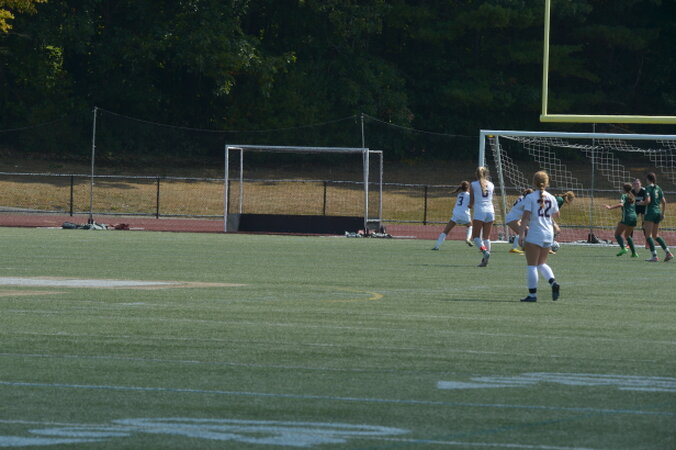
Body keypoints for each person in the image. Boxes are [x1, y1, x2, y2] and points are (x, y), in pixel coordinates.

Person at [517, 171, 560, 302]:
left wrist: (521, 235)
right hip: (548, 234)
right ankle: (553, 282)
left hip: (536, 233)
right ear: (547, 183)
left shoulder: (530, 197)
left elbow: (525, 217)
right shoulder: (551, 197)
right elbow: (557, 214)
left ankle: (532, 295)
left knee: (532, 265)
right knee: (541, 263)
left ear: (533, 183)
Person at [432, 181, 474, 250]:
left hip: (456, 214)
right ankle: (468, 239)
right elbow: (471, 204)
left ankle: (436, 246)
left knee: (445, 231)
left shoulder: (459, 195)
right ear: (468, 188)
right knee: (470, 226)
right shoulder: (469, 195)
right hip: (465, 214)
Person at [642, 172, 673, 262]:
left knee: (648, 235)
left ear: (648, 179)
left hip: (650, 213)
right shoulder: (658, 188)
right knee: (655, 235)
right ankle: (668, 253)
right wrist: (663, 214)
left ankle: (654, 256)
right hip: (657, 212)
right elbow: (664, 202)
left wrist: (641, 203)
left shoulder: (647, 188)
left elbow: (648, 201)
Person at [469, 166, 495, 267]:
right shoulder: (491, 184)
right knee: (486, 238)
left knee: (475, 237)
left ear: (476, 174)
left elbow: (471, 202)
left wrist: (469, 206)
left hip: (480, 211)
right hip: (490, 211)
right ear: (486, 174)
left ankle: (485, 252)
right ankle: (485, 261)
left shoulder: (473, 184)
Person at [604, 183, 639, 258]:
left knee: (617, 234)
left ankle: (623, 248)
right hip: (634, 217)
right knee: (627, 236)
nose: (621, 189)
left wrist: (610, 207)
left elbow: (621, 204)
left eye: (622, 188)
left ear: (624, 189)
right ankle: (634, 253)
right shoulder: (633, 196)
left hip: (627, 217)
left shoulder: (624, 195)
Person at [505, 188, 534, 254]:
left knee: (527, 231)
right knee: (521, 232)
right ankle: (514, 248)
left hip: (514, 218)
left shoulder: (522, 197)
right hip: (512, 219)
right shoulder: (526, 201)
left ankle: (524, 248)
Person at [630, 178, 648, 248]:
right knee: (631, 223)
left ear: (641, 184)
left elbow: (648, 200)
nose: (636, 185)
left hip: (644, 208)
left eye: (637, 183)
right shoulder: (632, 191)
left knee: (644, 225)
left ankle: (647, 242)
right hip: (636, 208)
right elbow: (630, 200)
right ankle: (630, 242)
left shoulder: (644, 191)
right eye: (634, 184)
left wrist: (642, 203)